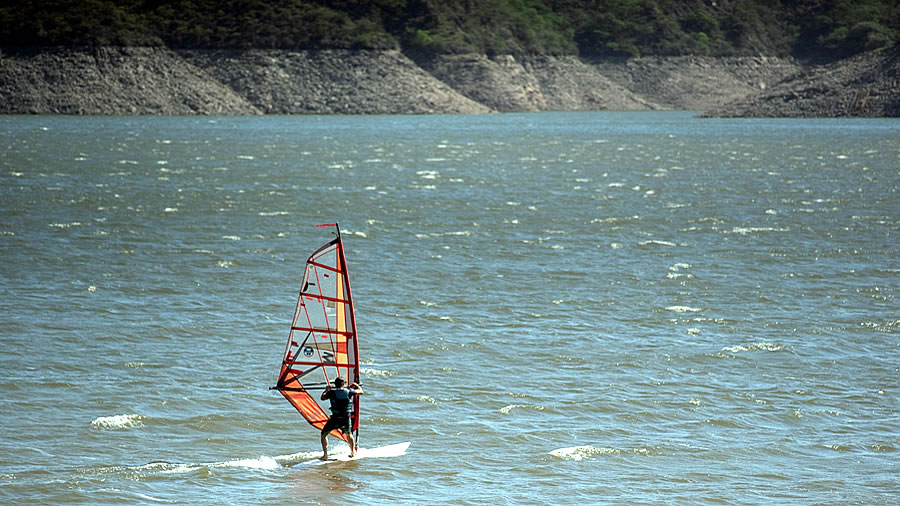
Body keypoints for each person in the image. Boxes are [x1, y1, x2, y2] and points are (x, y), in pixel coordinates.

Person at [320, 377, 363, 459]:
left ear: (335, 385)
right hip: (345, 418)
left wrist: (326, 390)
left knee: (324, 434)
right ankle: (352, 452)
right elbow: (361, 392)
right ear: (343, 384)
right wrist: (356, 385)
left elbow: (322, 398)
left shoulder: (331, 393)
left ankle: (325, 455)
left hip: (335, 418)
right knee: (349, 434)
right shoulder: (349, 392)